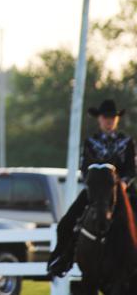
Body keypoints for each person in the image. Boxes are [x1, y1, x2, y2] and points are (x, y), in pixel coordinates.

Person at [47, 99, 136, 277]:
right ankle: (62, 259)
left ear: (116, 119)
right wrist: (94, 185)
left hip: (123, 190)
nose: (109, 121)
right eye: (105, 117)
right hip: (97, 192)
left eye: (112, 117)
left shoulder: (126, 142)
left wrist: (123, 183)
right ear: (99, 119)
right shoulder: (90, 142)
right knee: (67, 221)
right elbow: (84, 168)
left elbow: (131, 168)